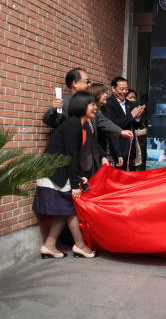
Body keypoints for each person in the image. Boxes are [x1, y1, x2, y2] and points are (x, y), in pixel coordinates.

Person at [33, 92, 132, 259]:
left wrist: (78, 178)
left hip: (58, 173)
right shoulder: (73, 125)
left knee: (65, 211)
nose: (95, 108)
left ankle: (49, 246)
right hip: (55, 174)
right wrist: (75, 184)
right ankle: (79, 246)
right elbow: (71, 156)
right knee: (70, 210)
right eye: (91, 105)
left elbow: (74, 155)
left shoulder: (78, 124)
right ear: (81, 106)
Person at [102, 77, 146, 170]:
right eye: (121, 89)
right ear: (113, 88)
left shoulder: (132, 104)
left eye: (126, 89)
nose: (125, 92)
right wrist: (131, 115)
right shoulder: (108, 104)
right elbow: (113, 126)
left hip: (131, 148)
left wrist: (137, 117)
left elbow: (136, 126)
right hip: (116, 148)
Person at [126, 88, 148, 170]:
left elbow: (137, 126)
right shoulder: (123, 112)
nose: (133, 100)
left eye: (134, 98)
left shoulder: (136, 111)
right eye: (130, 97)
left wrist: (137, 117)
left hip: (135, 149)